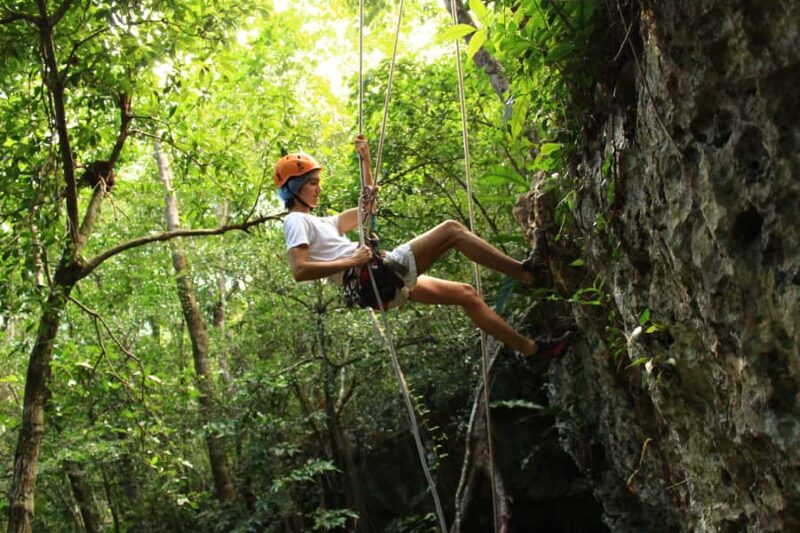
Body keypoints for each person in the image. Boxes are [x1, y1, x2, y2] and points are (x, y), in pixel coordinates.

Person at [275, 135, 571, 358]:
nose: (319, 188)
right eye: (312, 183)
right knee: (452, 230)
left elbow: (368, 208)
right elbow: (300, 270)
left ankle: (532, 351)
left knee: (466, 294)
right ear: (294, 189)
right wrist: (352, 260)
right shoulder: (296, 221)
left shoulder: (324, 222)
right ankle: (526, 273)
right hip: (375, 275)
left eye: (318, 182)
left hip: (380, 280)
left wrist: (365, 161)